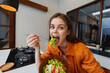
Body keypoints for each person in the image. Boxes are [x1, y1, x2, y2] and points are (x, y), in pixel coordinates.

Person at [26, 13, 105, 73]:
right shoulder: (51, 45)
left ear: (68, 32)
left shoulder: (81, 50)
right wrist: (37, 48)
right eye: (52, 27)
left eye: (60, 27)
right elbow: (41, 67)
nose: (54, 31)